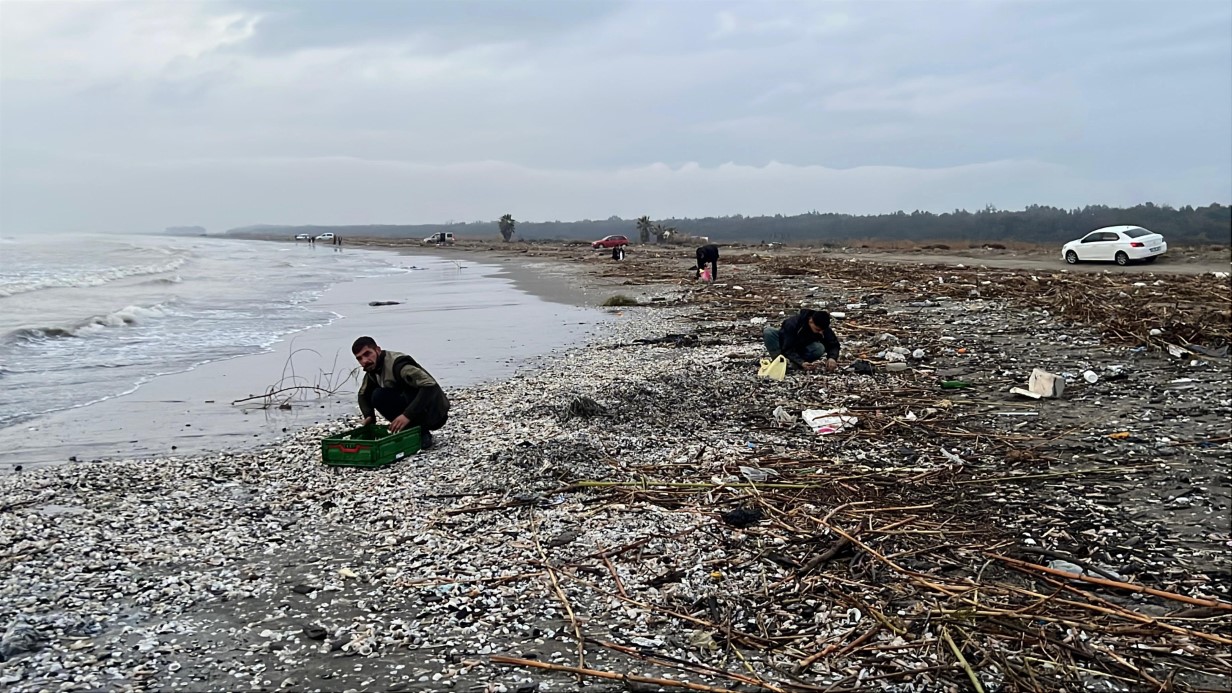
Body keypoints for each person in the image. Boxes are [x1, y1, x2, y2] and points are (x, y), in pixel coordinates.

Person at [352, 336, 449, 449]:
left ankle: (422, 432)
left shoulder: (399, 365)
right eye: (359, 358)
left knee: (379, 395)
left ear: (378, 350)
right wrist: (369, 416)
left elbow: (430, 386)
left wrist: (407, 415)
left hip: (435, 413)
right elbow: (363, 394)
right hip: (413, 407)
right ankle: (410, 431)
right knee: (376, 395)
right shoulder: (373, 369)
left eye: (367, 354)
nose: (364, 360)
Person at [763, 308, 841, 372]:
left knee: (819, 348)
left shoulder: (821, 325)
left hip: (802, 348)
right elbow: (787, 347)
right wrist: (801, 362)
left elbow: (833, 343)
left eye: (822, 330)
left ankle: (798, 364)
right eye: (817, 330)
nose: (820, 333)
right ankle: (779, 363)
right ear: (810, 321)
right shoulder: (792, 324)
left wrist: (832, 358)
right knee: (769, 332)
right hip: (785, 346)